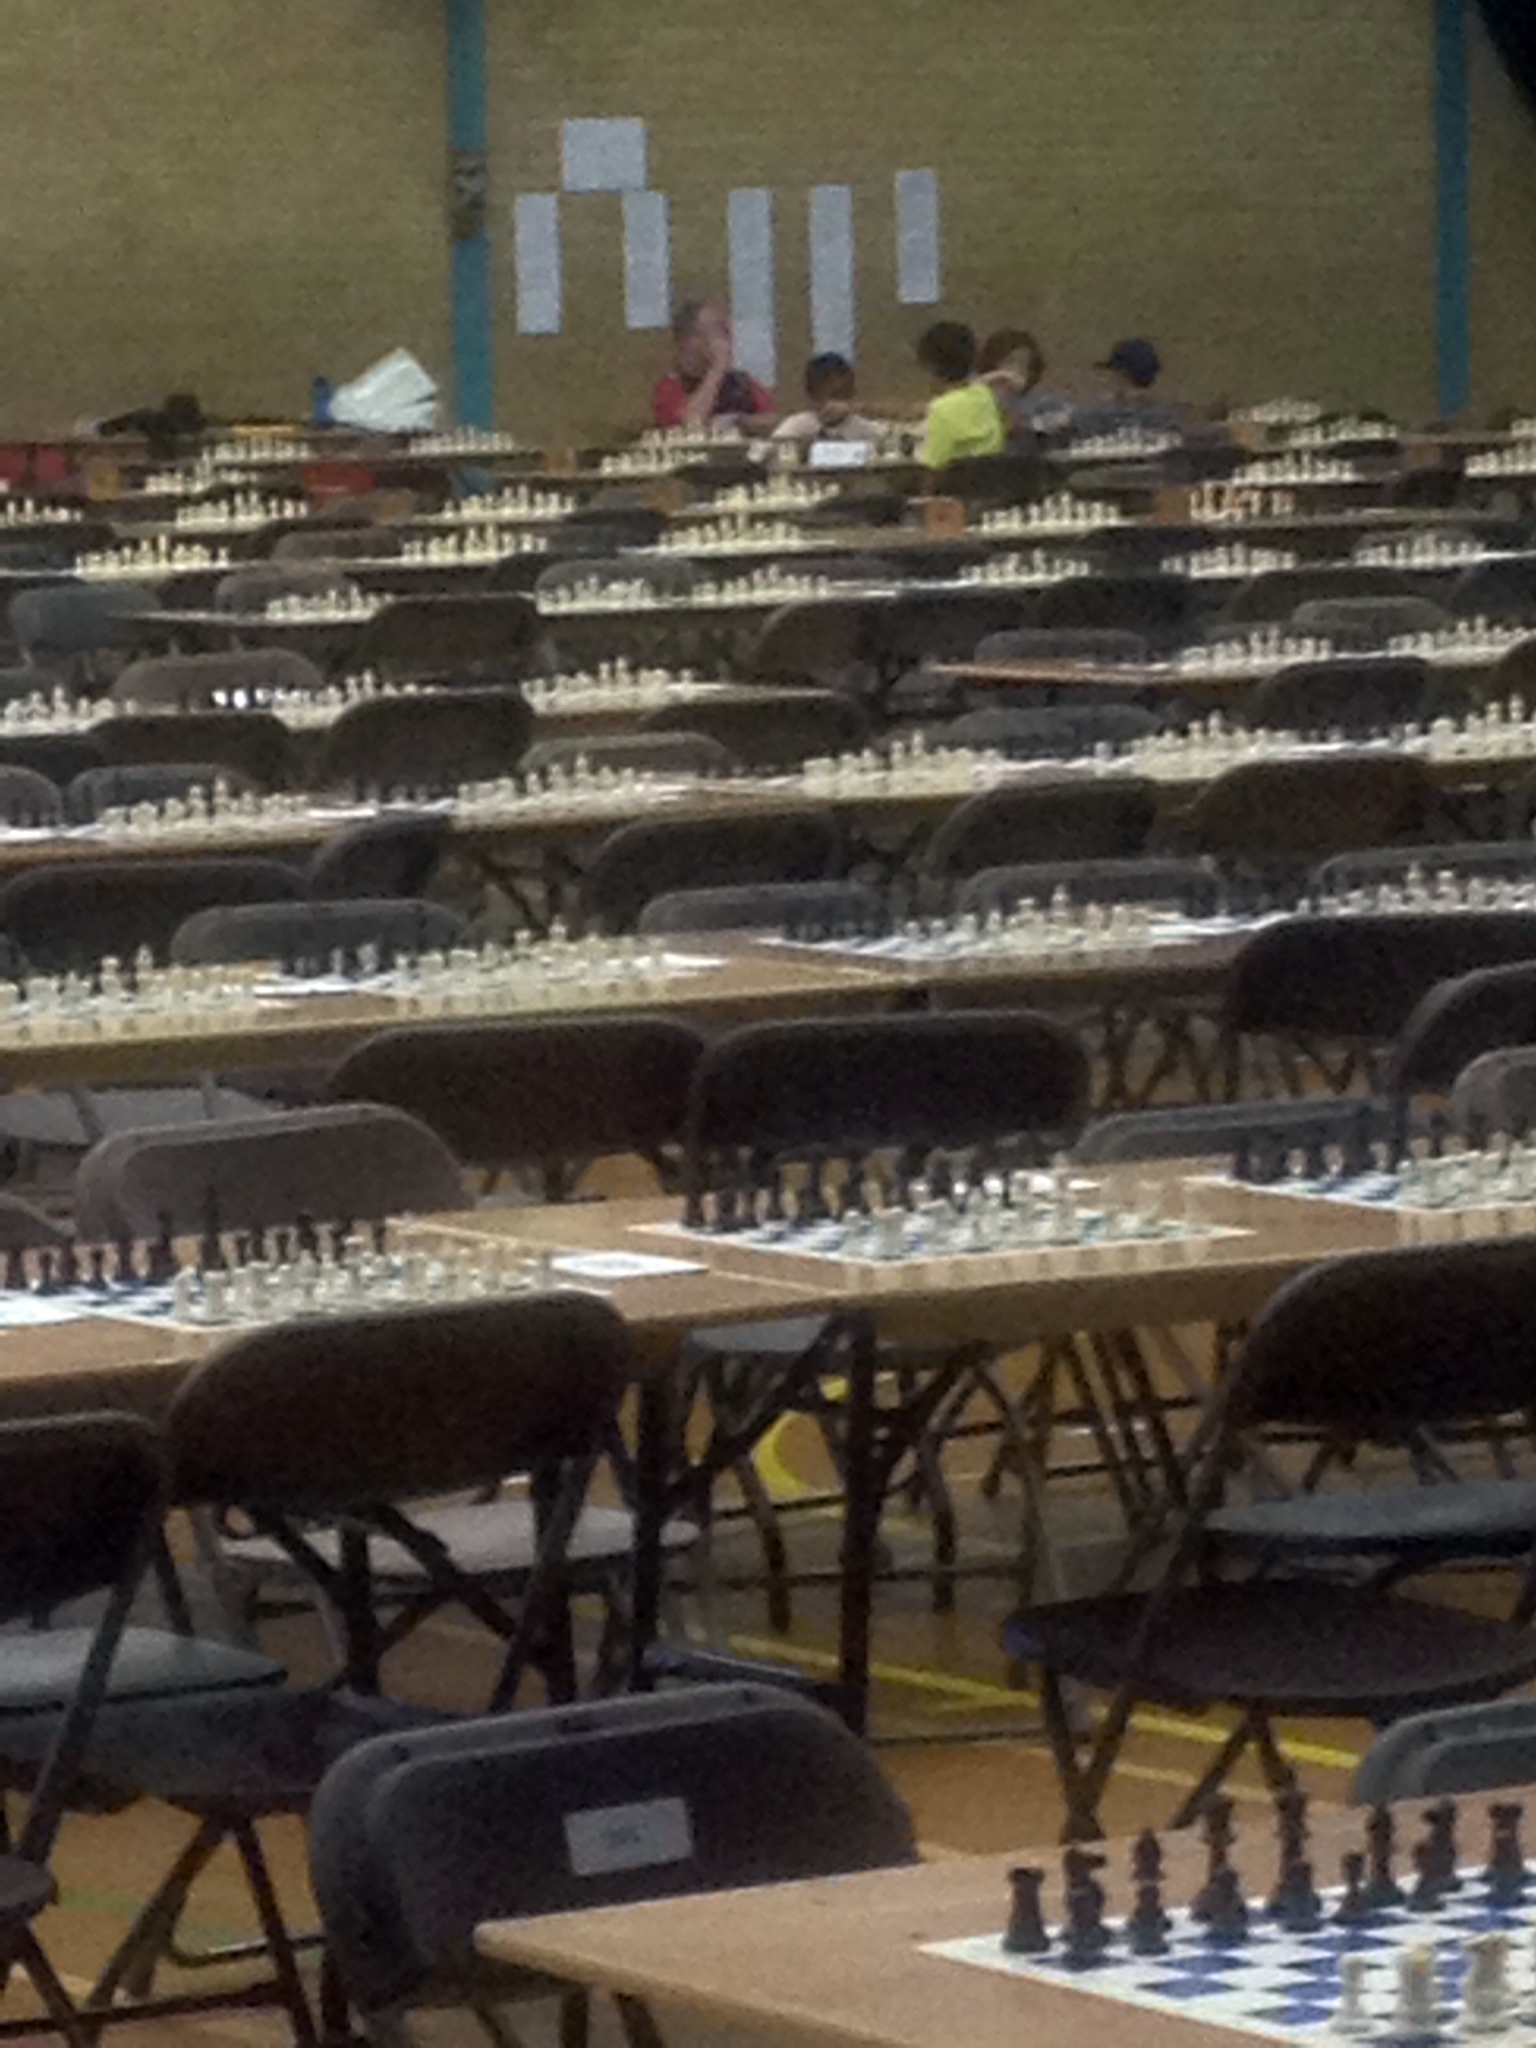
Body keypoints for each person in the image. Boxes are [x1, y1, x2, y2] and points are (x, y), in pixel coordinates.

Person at [652, 299, 775, 431]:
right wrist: (717, 369)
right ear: (690, 340)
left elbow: (775, 420)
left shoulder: (742, 383)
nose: (728, 338)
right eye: (718, 331)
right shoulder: (669, 388)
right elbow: (690, 423)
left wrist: (738, 421)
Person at [915, 322, 1005, 470]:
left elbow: (933, 467)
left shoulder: (941, 409)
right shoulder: (987, 396)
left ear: (932, 367)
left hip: (952, 483)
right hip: (989, 482)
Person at [977, 329, 1074, 442]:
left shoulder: (1039, 403)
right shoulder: (976, 396)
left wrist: (1026, 425)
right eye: (1010, 362)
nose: (1015, 370)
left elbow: (1067, 418)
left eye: (1024, 365)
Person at [770, 354, 881, 447]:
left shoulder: (865, 429)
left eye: (847, 394)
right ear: (813, 396)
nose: (840, 403)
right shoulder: (795, 427)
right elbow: (776, 449)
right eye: (835, 395)